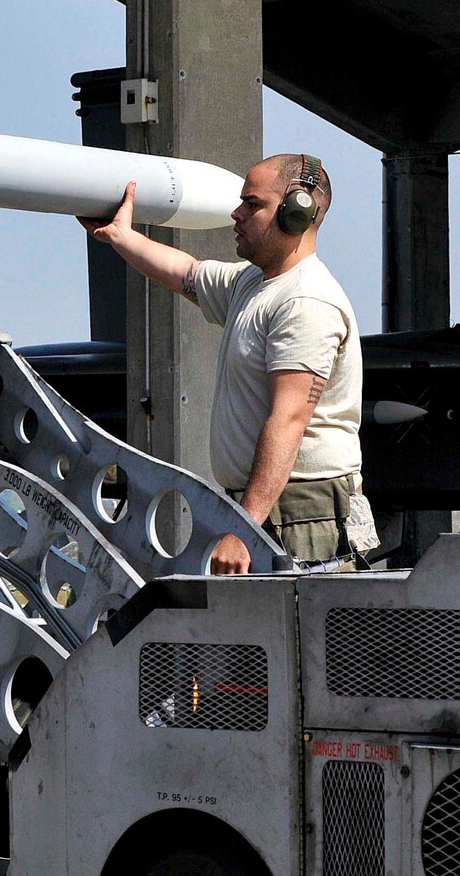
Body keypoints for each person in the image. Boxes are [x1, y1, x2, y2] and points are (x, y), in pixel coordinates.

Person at [78, 154, 366, 573]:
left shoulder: (305, 302)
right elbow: (187, 273)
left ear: (296, 213)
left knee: (296, 636)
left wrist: (243, 529)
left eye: (252, 204)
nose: (237, 213)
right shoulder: (254, 283)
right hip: (270, 508)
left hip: (298, 514)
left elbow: (288, 421)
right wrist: (122, 236)